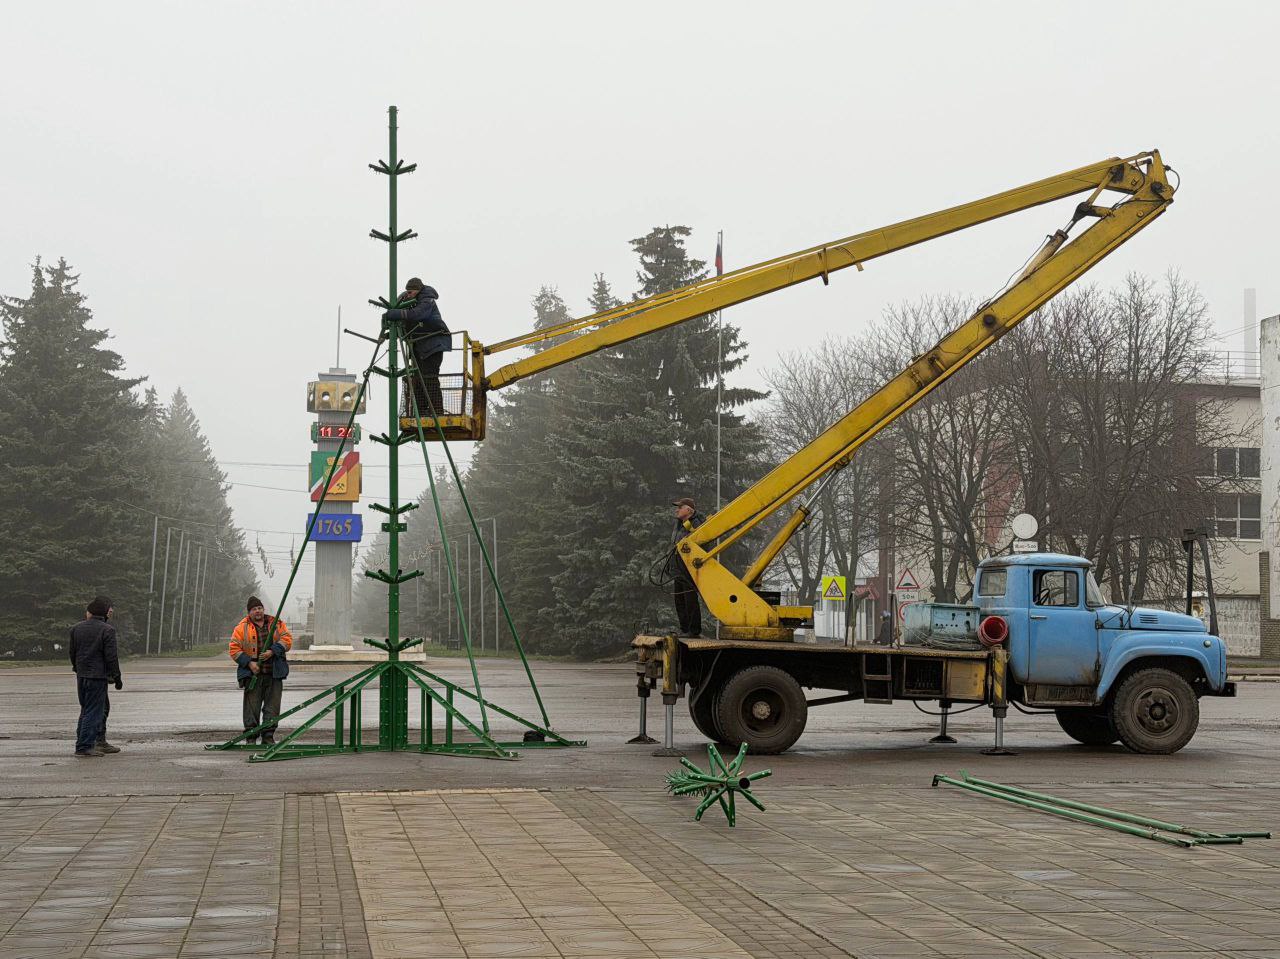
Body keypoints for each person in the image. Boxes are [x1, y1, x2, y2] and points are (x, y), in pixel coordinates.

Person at [229, 596, 293, 745]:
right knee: (252, 708)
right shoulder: (241, 628)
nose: (257, 611)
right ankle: (251, 737)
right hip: (253, 675)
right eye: (254, 609)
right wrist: (249, 663)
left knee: (272, 708)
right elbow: (234, 649)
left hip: (274, 673)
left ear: (263, 609)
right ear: (249, 612)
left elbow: (287, 640)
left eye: (259, 608)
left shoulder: (276, 624)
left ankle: (268, 737)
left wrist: (273, 651)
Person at [383, 278, 450, 420]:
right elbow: (408, 325)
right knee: (418, 379)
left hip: (433, 344)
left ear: (417, 290)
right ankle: (421, 412)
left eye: (410, 292)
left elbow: (417, 315)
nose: (408, 295)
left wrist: (397, 313)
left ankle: (436, 411)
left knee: (429, 377)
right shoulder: (414, 302)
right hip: (421, 347)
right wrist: (392, 333)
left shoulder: (427, 301)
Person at [69, 595, 122, 757]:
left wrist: (78, 668)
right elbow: (111, 657)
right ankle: (84, 746)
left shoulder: (76, 628)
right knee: (94, 712)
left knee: (86, 710)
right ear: (104, 613)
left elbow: (72, 653)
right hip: (97, 677)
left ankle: (83, 742)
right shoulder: (107, 630)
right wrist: (117, 677)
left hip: (82, 675)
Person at [668, 497, 705, 638]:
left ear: (689, 510)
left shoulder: (697, 523)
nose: (677, 510)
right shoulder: (679, 524)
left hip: (689, 570)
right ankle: (685, 630)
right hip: (678, 569)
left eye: (680, 507)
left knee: (690, 600)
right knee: (679, 601)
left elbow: (699, 542)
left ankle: (694, 630)